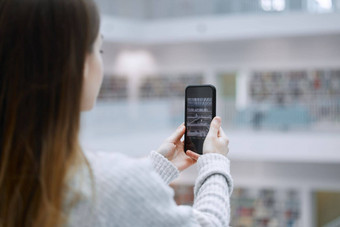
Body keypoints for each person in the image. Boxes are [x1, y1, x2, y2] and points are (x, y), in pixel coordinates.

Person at [0, 0, 233, 226]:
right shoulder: (104, 183)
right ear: (79, 65)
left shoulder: (20, 177)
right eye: (98, 48)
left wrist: (155, 169)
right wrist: (215, 163)